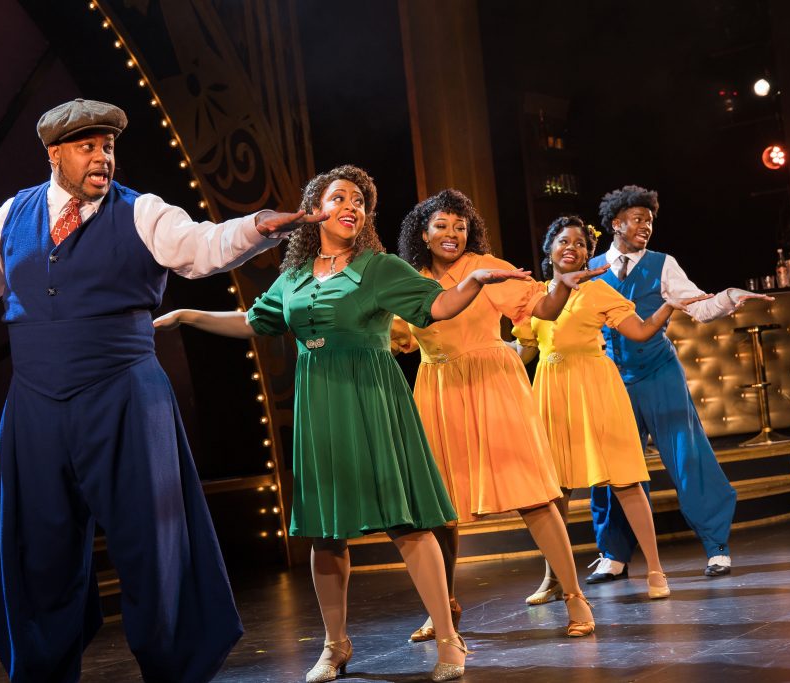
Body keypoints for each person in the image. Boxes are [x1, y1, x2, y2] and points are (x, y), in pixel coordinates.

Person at [0, 98, 322, 683]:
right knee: (39, 547)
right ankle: (45, 670)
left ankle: (173, 667)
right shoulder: (13, 216)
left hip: (124, 395)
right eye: (87, 147)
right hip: (37, 404)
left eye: (107, 147)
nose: (102, 157)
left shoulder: (142, 212)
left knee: (151, 545)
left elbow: (203, 248)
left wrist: (255, 228)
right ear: (54, 154)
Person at [154, 166, 533, 682]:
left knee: (408, 523)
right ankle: (334, 645)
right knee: (324, 533)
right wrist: (188, 317)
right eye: (340, 197)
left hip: (373, 397)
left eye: (360, 200)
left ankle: (448, 636)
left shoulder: (379, 268)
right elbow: (255, 322)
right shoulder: (293, 276)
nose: (352, 205)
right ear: (316, 210)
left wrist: (474, 280)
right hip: (320, 405)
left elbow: (437, 306)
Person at [393, 189, 605, 639]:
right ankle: (443, 605)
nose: (453, 234)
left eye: (460, 226)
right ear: (422, 232)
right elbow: (399, 338)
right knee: (439, 510)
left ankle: (574, 597)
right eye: (443, 226)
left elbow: (539, 308)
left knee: (533, 494)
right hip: (438, 391)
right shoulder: (410, 278)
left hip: (492, 383)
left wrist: (562, 289)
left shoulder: (485, 267)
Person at [512, 216, 712, 603]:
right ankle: (555, 578)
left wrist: (668, 306)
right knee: (555, 493)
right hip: (552, 395)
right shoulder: (535, 297)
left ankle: (655, 569)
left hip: (596, 388)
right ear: (549, 249)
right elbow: (525, 352)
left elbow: (637, 331)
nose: (573, 247)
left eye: (581, 243)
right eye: (563, 240)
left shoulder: (600, 291)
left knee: (624, 480)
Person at [585, 185, 773, 581]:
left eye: (649, 221)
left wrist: (727, 297)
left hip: (659, 373)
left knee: (689, 457)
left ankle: (717, 546)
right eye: (638, 219)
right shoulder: (593, 267)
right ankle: (613, 554)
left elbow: (698, 306)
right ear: (616, 223)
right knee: (614, 468)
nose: (646, 227)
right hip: (611, 380)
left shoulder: (662, 264)